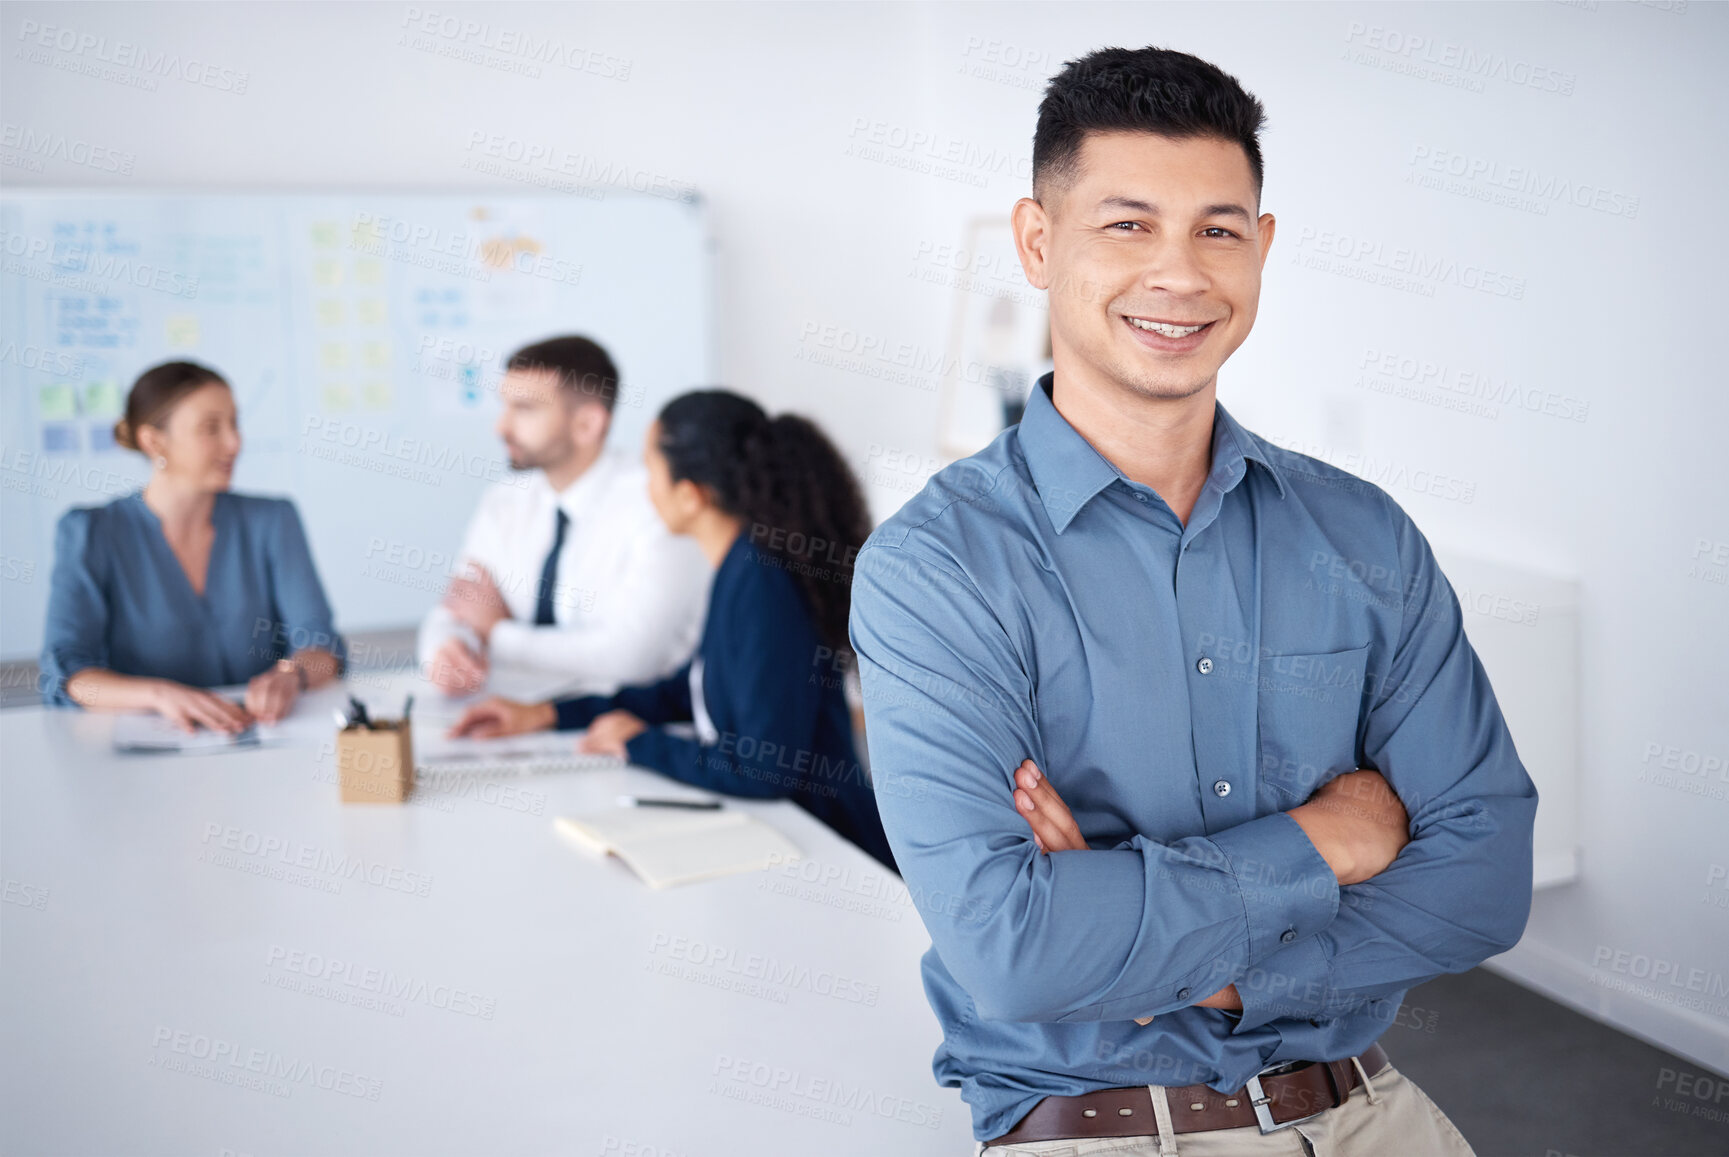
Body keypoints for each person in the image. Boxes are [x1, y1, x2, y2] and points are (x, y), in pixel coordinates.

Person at [847, 47, 1536, 1156]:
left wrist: (1170, 949)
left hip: (1374, 1108)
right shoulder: (936, 569)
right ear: (1037, 241)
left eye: (1217, 230)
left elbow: (1485, 878)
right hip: (1105, 1130)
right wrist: (1325, 836)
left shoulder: (1360, 535)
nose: (1179, 275)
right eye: (1126, 226)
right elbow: (1015, 951)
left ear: (1260, 248)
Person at [448, 390, 896, 872]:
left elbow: (767, 771)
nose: (645, 489)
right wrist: (548, 713)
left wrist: (640, 743)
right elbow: (687, 691)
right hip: (785, 835)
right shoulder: (738, 567)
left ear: (691, 494)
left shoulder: (761, 579)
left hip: (831, 850)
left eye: (651, 469)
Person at [40, 360, 345, 731]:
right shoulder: (91, 533)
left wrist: (292, 675)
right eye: (211, 428)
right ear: (154, 441)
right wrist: (158, 695)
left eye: (234, 424)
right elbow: (67, 674)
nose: (235, 442)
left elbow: (322, 646)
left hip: (263, 741)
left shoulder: (273, 521)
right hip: (150, 755)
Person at [416, 336, 708, 697]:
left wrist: (496, 634)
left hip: (625, 726)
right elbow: (457, 605)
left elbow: (629, 657)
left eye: (524, 409)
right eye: (504, 406)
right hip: (513, 716)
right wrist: (445, 648)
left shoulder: (657, 505)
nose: (501, 427)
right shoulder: (504, 501)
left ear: (587, 424)